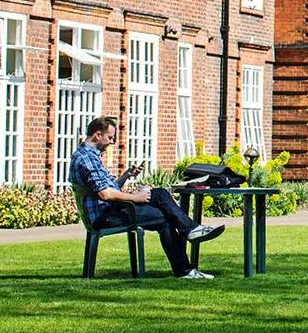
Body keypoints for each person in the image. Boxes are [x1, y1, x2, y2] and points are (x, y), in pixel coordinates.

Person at [71, 116, 221, 280]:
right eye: (110, 137)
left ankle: (190, 235)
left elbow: (107, 188)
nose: (112, 142)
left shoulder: (86, 154)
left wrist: (126, 175)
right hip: (105, 216)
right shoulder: (87, 158)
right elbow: (105, 194)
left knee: (161, 196)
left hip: (107, 211)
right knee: (164, 215)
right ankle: (186, 260)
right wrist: (137, 198)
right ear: (98, 135)